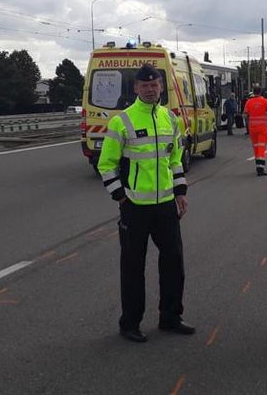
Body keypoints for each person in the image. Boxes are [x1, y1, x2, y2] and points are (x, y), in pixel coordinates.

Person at [97, 63, 194, 343]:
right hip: (135, 208)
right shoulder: (122, 121)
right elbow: (106, 164)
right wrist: (120, 196)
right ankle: (130, 323)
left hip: (165, 205)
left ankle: (171, 317)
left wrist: (180, 192)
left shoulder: (170, 119)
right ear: (136, 88)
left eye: (155, 85)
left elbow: (174, 159)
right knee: (132, 266)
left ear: (161, 87)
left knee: (174, 261)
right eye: (145, 85)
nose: (150, 89)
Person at [243, 87, 267, 175]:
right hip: (262, 128)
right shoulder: (264, 101)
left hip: (252, 128)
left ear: (253, 92)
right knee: (261, 147)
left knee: (256, 147)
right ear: (260, 92)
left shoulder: (249, 102)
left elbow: (245, 115)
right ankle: (260, 169)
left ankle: (258, 166)